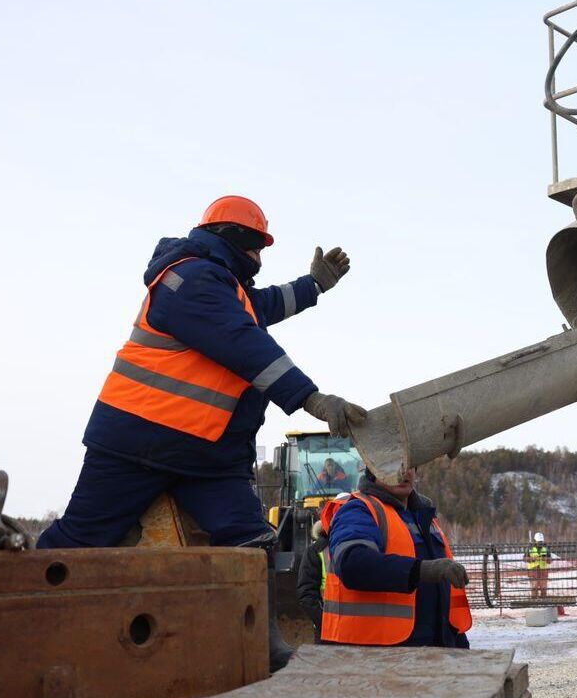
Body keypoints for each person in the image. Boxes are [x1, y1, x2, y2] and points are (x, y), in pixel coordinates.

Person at [36, 196, 365, 672]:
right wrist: (311, 399)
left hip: (205, 454)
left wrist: (314, 285)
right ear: (235, 240)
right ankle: (21, 612)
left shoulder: (220, 285)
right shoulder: (188, 280)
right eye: (257, 247)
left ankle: (259, 644)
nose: (259, 259)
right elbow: (245, 342)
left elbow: (261, 307)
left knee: (251, 540)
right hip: (139, 442)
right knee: (81, 540)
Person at [323, 468, 472, 648]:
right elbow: (352, 563)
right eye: (394, 465)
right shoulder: (359, 510)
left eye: (410, 465)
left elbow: (440, 598)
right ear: (374, 469)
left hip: (432, 651)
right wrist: (422, 570)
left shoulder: (423, 517)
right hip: (372, 655)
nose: (403, 473)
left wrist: (457, 645)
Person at [296, 492, 350, 639]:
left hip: (363, 632)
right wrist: (326, 623)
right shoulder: (315, 551)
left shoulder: (370, 548)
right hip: (328, 633)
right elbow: (307, 594)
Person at [524, 531, 552, 600]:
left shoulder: (546, 548)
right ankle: (534, 600)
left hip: (543, 571)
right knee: (534, 587)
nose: (540, 543)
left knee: (543, 587)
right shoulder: (530, 548)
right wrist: (532, 559)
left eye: (541, 542)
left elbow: (550, 560)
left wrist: (546, 559)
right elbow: (525, 558)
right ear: (535, 541)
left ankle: (543, 600)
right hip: (533, 571)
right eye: (538, 542)